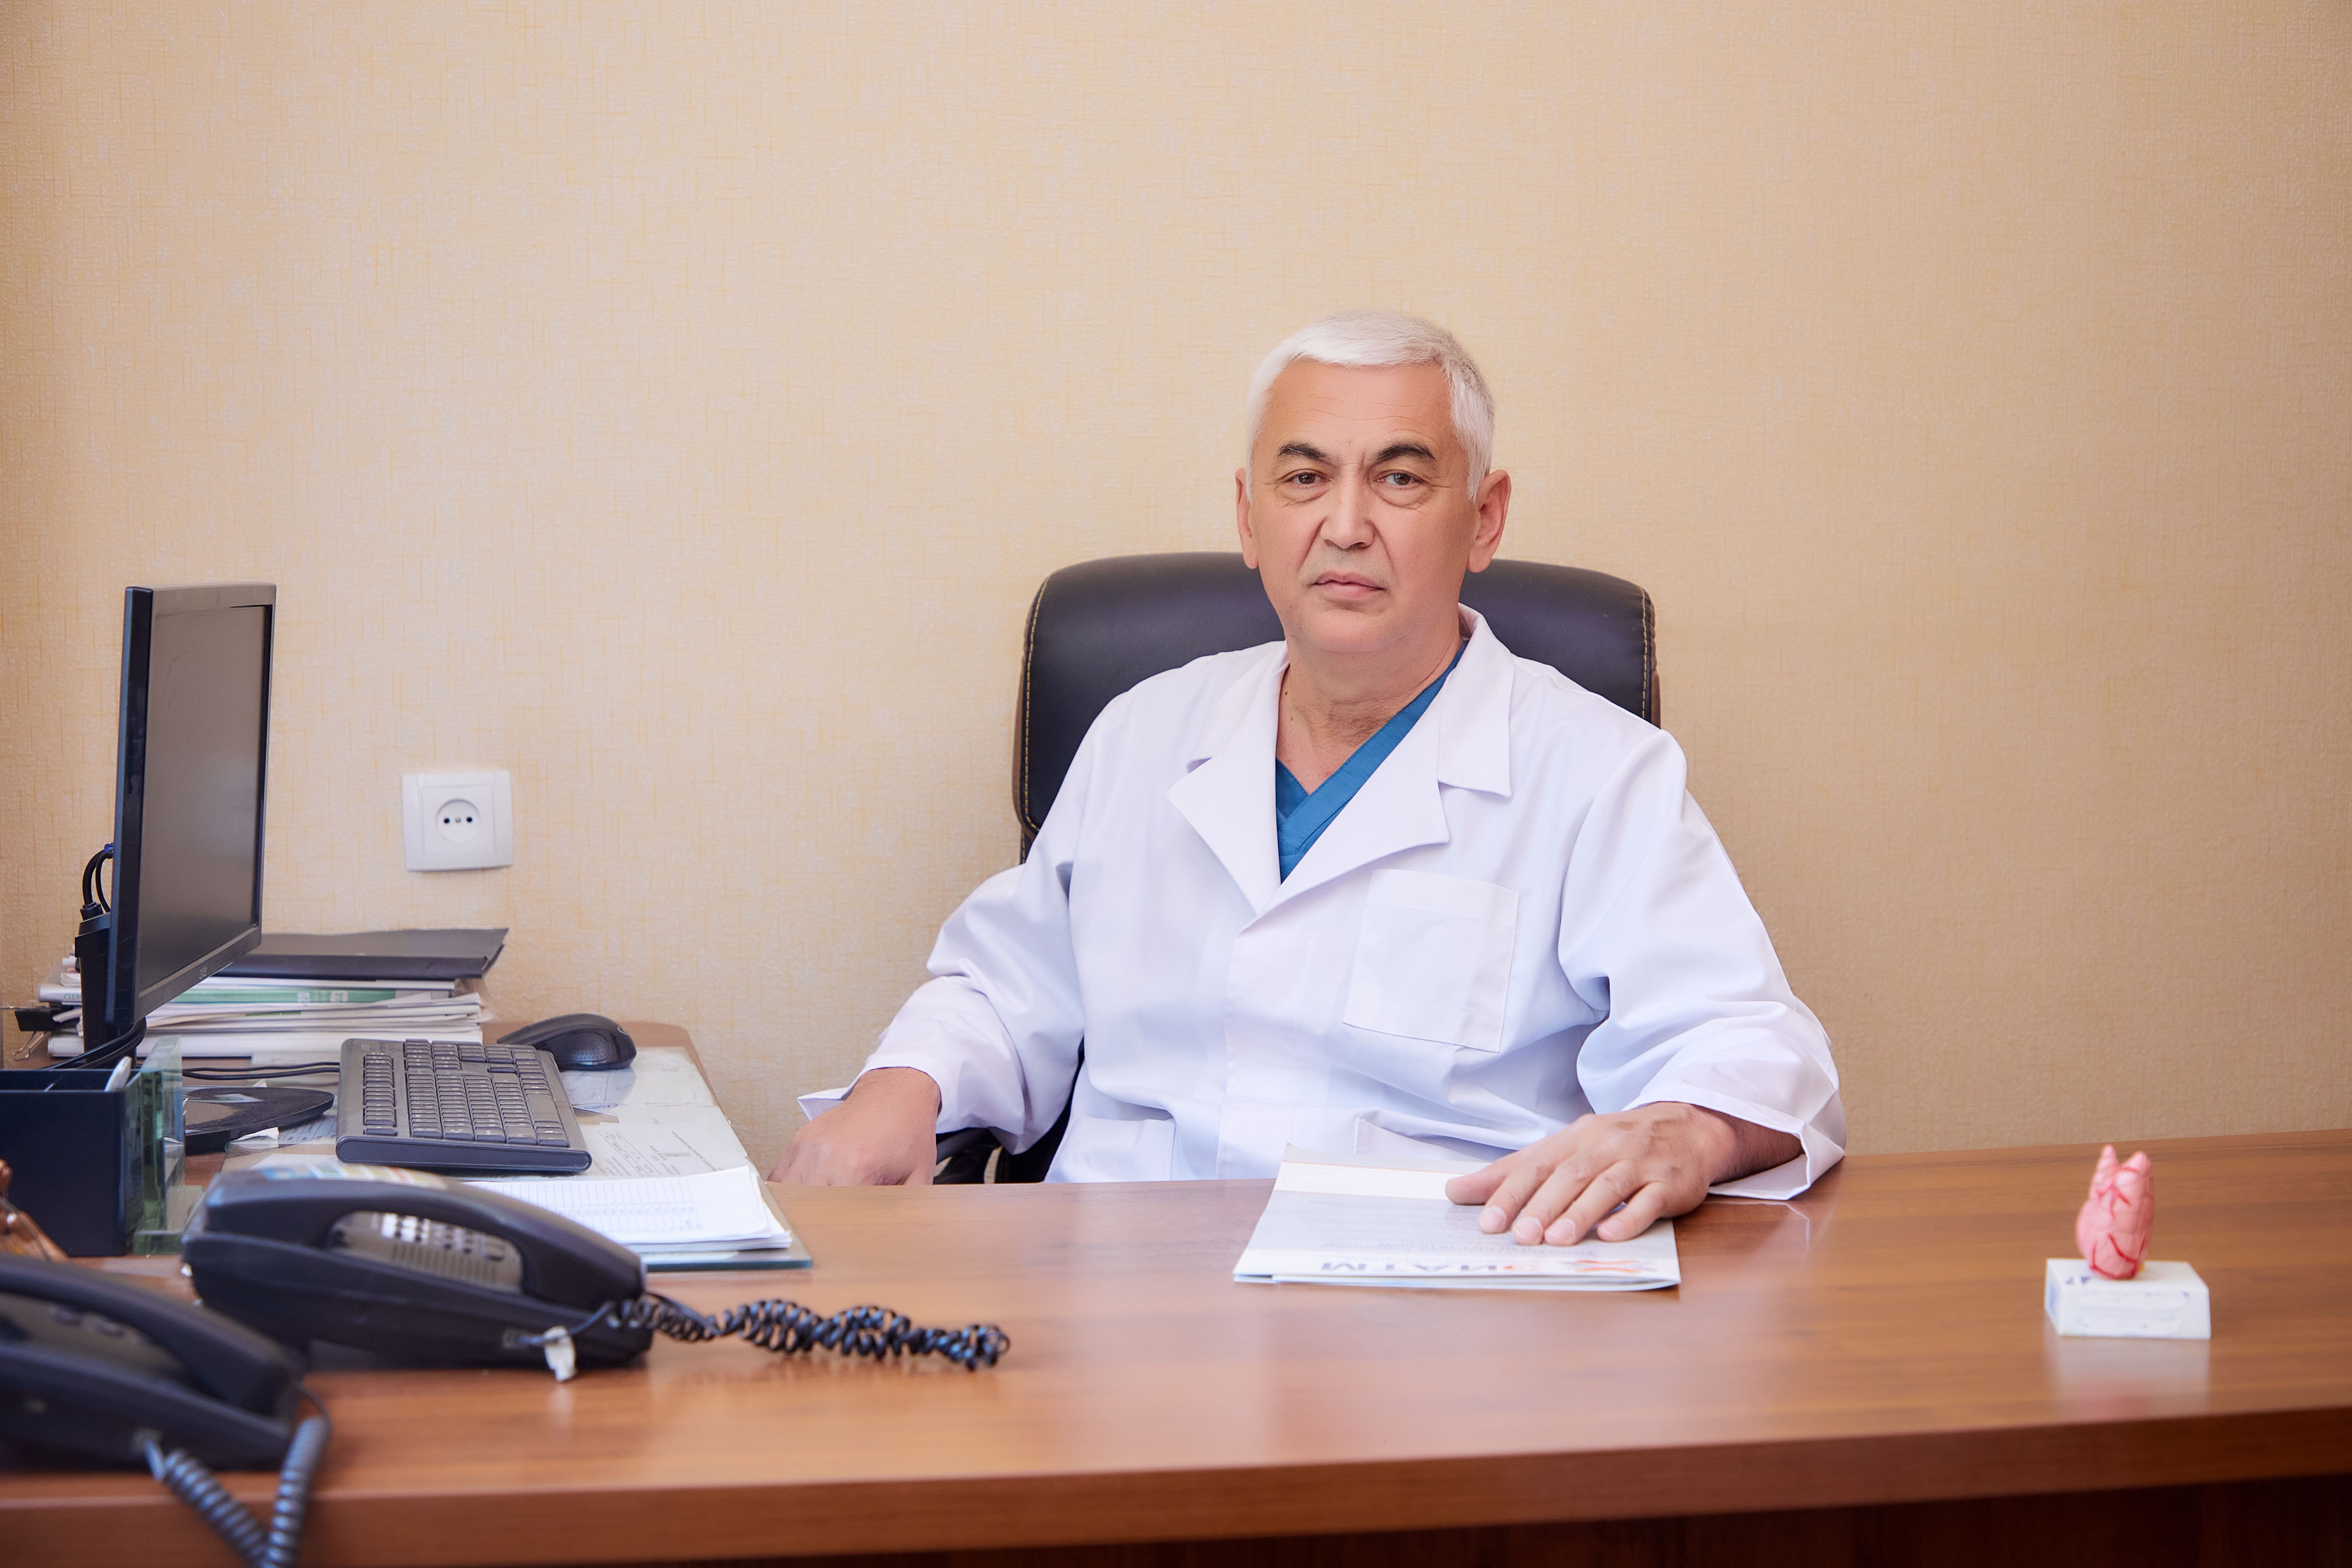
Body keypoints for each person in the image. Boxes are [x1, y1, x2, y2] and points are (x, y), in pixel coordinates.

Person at [775, 311, 1844, 1246]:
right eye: (1304, 478)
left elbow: (1744, 1039)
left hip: (1439, 1305)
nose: (1345, 525)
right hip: (1119, 1294)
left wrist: (1686, 1128)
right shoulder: (1145, 730)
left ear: (1484, 517)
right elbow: (1006, 989)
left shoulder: (1597, 771)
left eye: (1399, 477)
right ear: (1250, 518)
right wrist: (901, 1088)